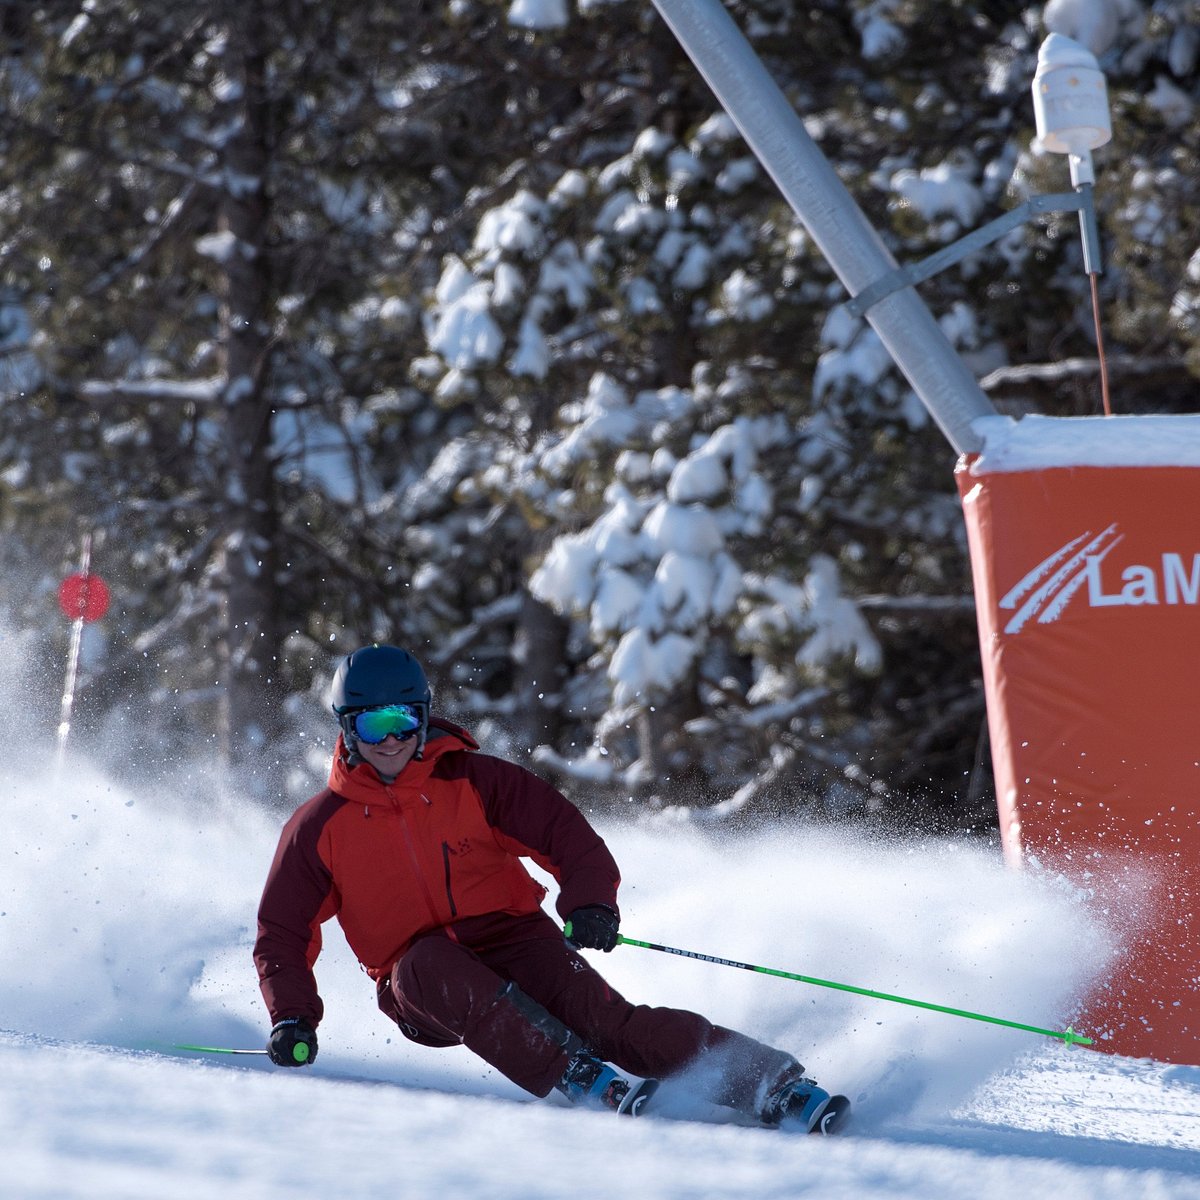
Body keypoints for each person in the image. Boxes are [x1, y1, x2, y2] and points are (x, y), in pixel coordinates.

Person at [253, 643, 847, 1132]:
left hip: (514, 938)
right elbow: (282, 932)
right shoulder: (319, 828)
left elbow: (565, 834)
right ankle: (575, 1072)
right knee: (427, 962)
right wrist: (293, 1017)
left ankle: (774, 1084)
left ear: (424, 715)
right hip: (424, 984)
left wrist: (589, 901)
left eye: (404, 718)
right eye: (373, 722)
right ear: (347, 729)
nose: (391, 739)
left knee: (614, 1023)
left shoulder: (476, 782)